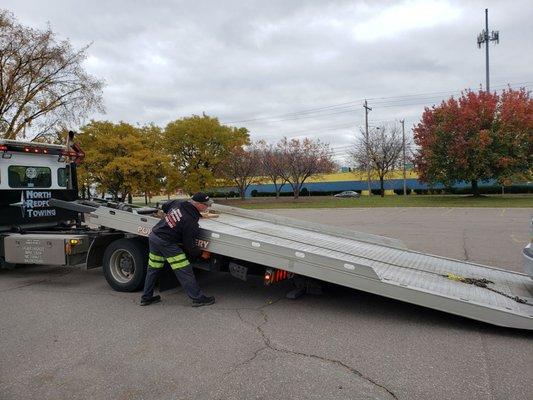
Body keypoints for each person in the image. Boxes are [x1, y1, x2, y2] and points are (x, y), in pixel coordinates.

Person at [140, 192, 215, 307]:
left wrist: (172, 218)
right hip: (166, 242)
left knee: (153, 268)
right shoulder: (190, 220)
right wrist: (201, 254)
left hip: (155, 236)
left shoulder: (179, 203)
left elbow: (165, 207)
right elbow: (190, 246)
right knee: (184, 269)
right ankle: (198, 298)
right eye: (206, 205)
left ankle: (146, 297)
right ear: (198, 204)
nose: (207, 207)